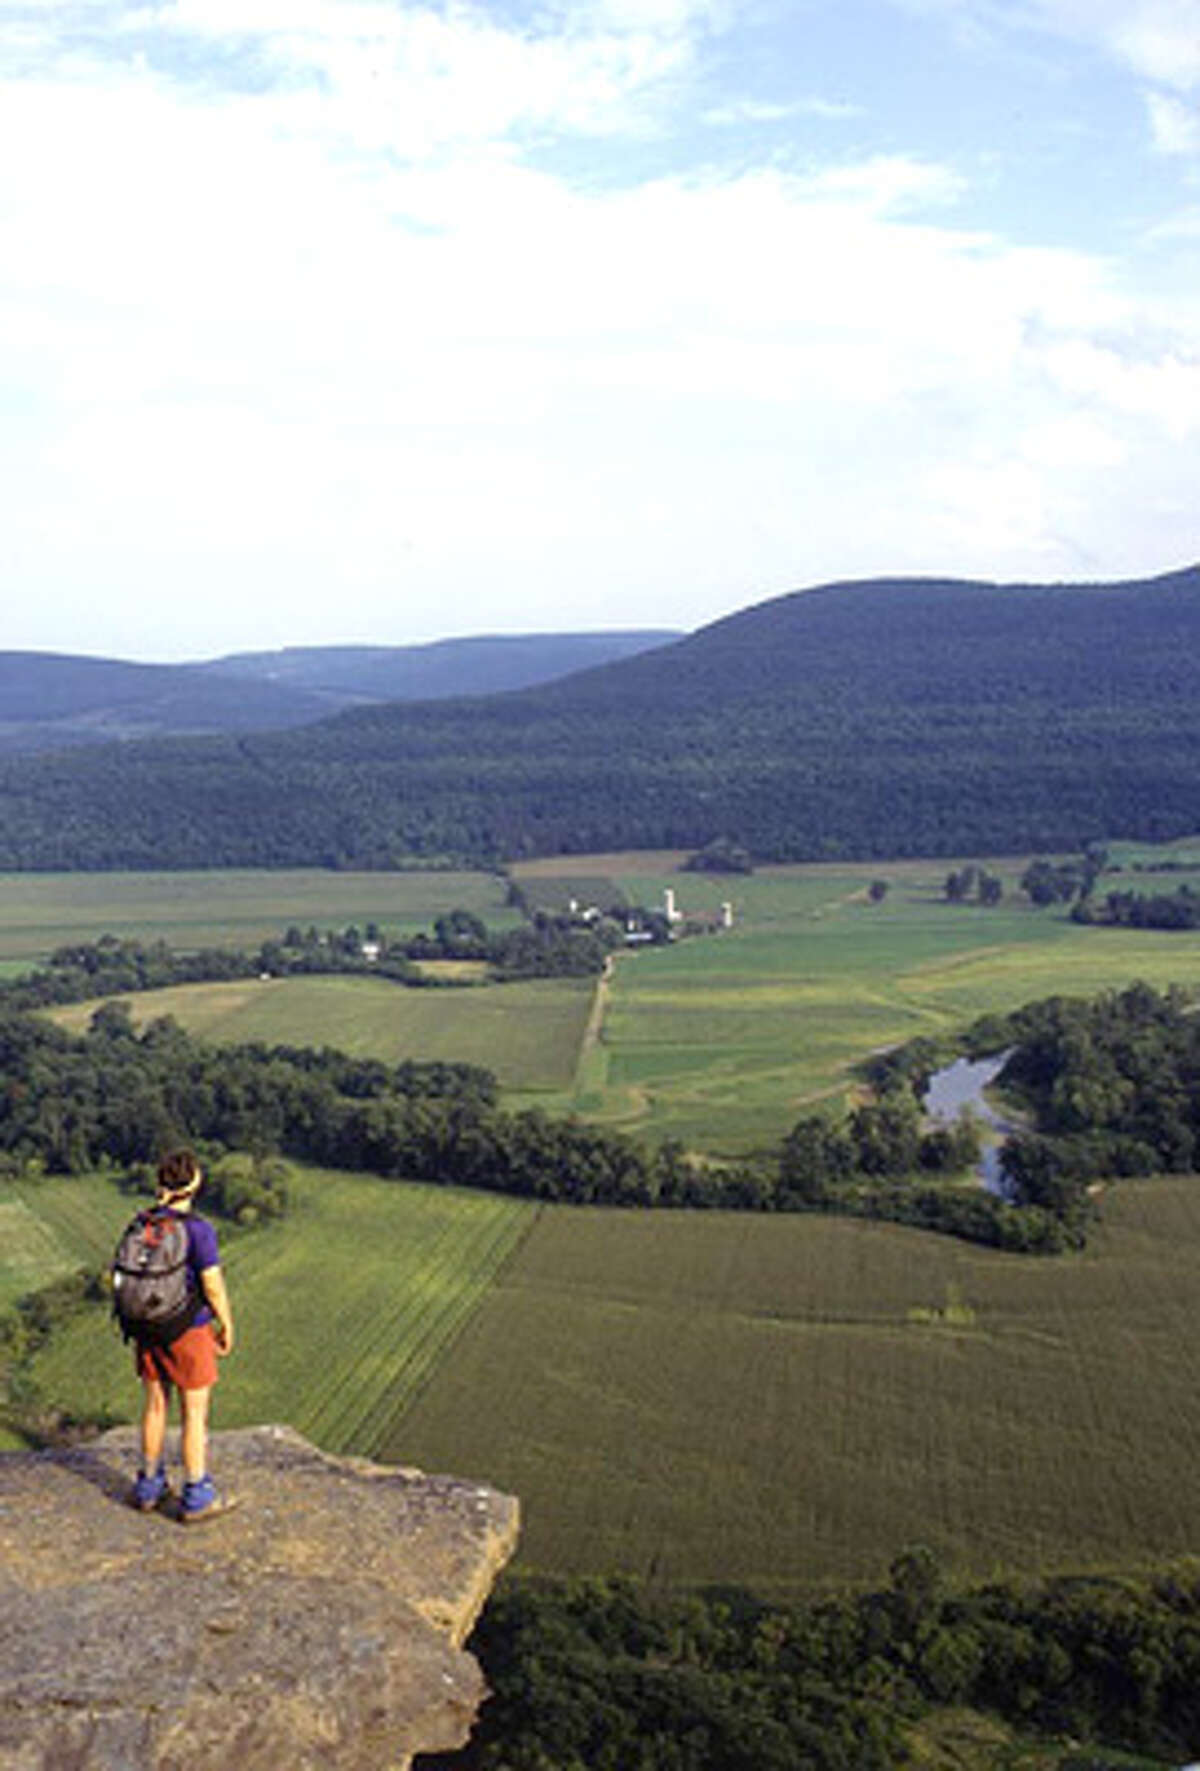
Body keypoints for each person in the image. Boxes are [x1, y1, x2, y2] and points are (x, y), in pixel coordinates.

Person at [129, 1148, 235, 1522]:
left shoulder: (143, 1222)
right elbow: (213, 1286)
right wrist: (227, 1324)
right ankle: (196, 1494)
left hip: (148, 1328)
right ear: (194, 1184)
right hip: (189, 1331)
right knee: (194, 1414)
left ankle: (148, 1486)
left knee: (155, 1405)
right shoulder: (199, 1230)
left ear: (160, 1183)